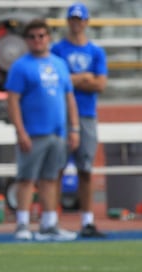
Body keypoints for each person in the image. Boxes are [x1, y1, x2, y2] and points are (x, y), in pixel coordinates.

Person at [6, 18, 80, 241]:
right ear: (26, 40)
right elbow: (12, 100)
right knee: (26, 178)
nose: (37, 40)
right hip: (33, 132)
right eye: (32, 36)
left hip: (57, 132)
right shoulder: (20, 66)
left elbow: (69, 98)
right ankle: (22, 223)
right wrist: (21, 131)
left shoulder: (59, 63)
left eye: (41, 35)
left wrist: (74, 128)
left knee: (50, 178)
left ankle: (49, 223)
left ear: (48, 38)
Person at [51, 3, 108, 238]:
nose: (76, 23)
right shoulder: (57, 49)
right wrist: (84, 77)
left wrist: (72, 80)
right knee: (56, 169)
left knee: (85, 168)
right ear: (68, 22)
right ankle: (52, 220)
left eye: (79, 19)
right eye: (72, 19)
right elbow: (57, 81)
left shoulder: (95, 51)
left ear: (85, 22)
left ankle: (87, 220)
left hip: (86, 114)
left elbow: (100, 84)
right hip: (61, 114)